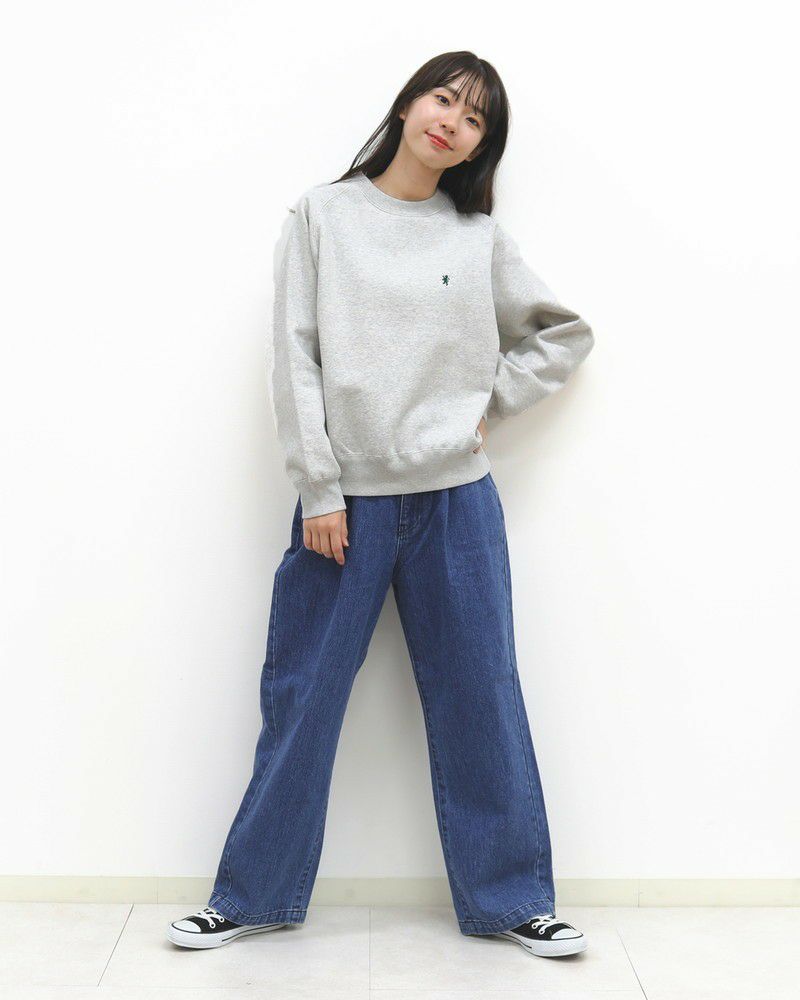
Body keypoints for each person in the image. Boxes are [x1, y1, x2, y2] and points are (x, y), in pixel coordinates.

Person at [168, 50, 594, 960]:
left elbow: (563, 334)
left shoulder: (475, 237)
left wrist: (488, 405)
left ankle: (514, 901)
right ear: (407, 105)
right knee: (303, 700)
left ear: (480, 147)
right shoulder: (323, 215)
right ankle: (251, 897)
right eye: (444, 99)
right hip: (345, 509)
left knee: (482, 699)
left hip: (458, 504)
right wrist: (319, 488)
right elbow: (295, 356)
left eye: (475, 120)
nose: (453, 123)